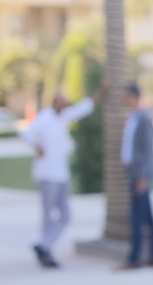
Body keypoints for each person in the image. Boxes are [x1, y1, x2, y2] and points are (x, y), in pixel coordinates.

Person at [19, 84, 107, 268]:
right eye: (61, 102)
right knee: (48, 214)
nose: (64, 105)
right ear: (54, 103)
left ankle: (44, 245)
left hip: (61, 175)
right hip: (47, 174)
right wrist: (37, 146)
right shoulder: (45, 117)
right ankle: (46, 250)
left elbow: (83, 108)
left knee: (65, 215)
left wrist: (100, 92)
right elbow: (26, 133)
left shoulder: (63, 117)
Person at [117, 82, 153, 269]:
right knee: (148, 216)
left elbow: (147, 149)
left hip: (140, 176)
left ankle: (134, 259)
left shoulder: (143, 118)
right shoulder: (134, 117)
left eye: (125, 96)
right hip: (134, 172)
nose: (123, 100)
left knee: (137, 218)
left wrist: (143, 177)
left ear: (134, 97)